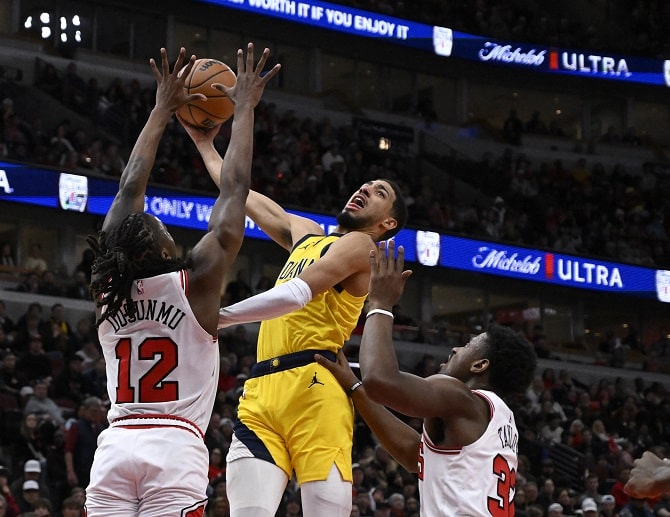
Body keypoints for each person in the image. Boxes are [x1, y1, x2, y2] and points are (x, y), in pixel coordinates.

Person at [83, 44, 279, 517]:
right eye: (163, 228)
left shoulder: (107, 290)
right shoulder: (195, 285)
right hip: (174, 445)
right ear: (164, 250)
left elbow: (129, 186)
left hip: (115, 447)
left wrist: (160, 111)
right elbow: (235, 191)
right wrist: (245, 109)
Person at [184, 102, 406, 517]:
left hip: (315, 386)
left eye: (379, 192)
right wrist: (205, 145)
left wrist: (220, 317)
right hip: (262, 388)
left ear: (387, 223)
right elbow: (240, 195)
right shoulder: (305, 233)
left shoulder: (362, 248)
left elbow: (299, 293)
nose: (364, 189)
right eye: (365, 185)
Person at [316, 241, 537, 516]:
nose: (456, 349)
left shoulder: (459, 396)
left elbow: (381, 380)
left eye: (467, 345)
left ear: (480, 365)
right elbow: (414, 455)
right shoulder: (503, 421)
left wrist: (381, 304)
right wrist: (354, 387)